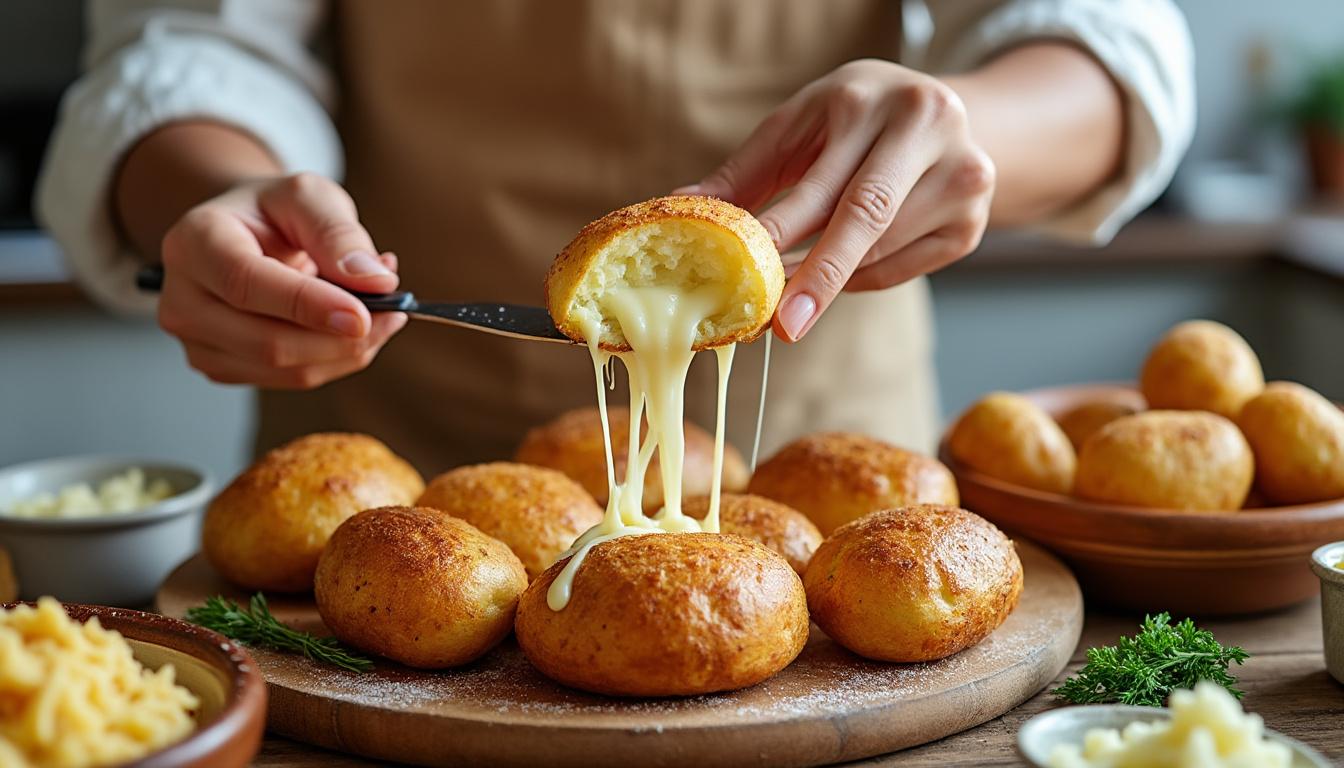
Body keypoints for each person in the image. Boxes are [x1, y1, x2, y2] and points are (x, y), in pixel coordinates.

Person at [38, 1, 1194, 473]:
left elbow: (1114, 35)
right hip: (383, 478)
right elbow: (191, 42)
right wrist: (230, 196)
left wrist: (968, 129)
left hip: (825, 474)